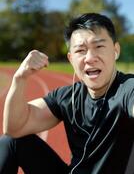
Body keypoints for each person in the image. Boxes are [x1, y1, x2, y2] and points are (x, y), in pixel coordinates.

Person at [0, 13, 134, 174]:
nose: (90, 58)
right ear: (71, 59)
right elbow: (14, 128)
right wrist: (20, 78)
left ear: (115, 50)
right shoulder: (67, 96)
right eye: (81, 50)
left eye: (99, 46)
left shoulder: (127, 88)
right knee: (11, 142)